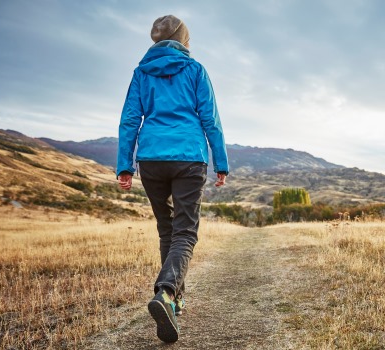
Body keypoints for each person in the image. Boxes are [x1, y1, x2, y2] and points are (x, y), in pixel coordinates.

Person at [116, 14, 229, 343]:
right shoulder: (195, 70)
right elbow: (211, 118)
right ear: (184, 39)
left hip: (150, 158)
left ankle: (175, 300)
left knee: (167, 229)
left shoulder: (141, 73)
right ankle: (166, 292)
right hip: (188, 158)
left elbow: (129, 120)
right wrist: (220, 161)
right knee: (184, 232)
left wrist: (124, 164)